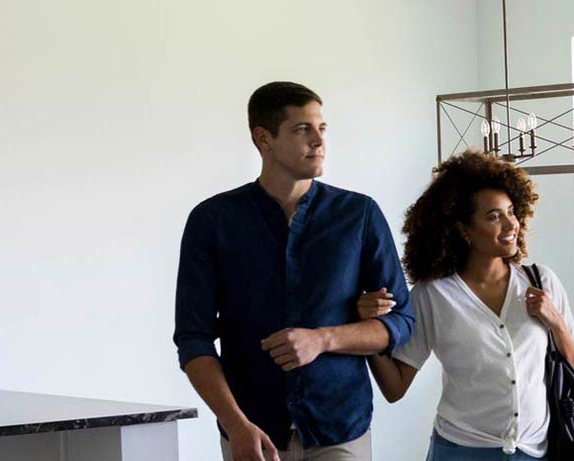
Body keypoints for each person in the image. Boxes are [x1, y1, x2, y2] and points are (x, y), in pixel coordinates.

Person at [173, 81, 415, 461]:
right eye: (302, 129)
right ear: (263, 138)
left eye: (322, 128)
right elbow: (192, 339)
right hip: (251, 433)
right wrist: (235, 423)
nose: (319, 141)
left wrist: (323, 339)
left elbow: (402, 321)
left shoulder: (359, 215)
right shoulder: (212, 221)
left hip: (340, 428)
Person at [358, 151, 574, 461]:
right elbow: (395, 387)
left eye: (511, 211)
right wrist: (368, 329)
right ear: (463, 230)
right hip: (461, 451)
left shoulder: (541, 281)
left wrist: (556, 322)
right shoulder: (433, 295)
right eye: (494, 216)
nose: (510, 224)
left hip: (536, 452)